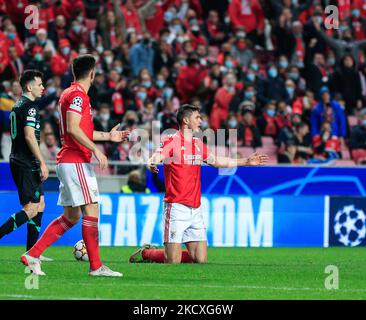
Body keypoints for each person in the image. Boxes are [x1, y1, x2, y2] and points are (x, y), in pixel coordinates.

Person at [21, 55, 130, 277]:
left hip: (68, 161)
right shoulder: (79, 96)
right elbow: (72, 128)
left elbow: (80, 130)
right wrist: (97, 150)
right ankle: (96, 267)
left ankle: (33, 254)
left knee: (70, 217)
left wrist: (108, 136)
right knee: (92, 210)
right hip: (75, 161)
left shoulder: (69, 94)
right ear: (92, 73)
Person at [129, 104, 268, 264]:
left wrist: (246, 161)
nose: (201, 121)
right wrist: (152, 163)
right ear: (186, 120)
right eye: (197, 117)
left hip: (195, 208)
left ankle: (159, 252)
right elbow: (157, 155)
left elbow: (216, 161)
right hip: (176, 207)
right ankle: (148, 253)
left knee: (200, 260)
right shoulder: (172, 141)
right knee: (172, 261)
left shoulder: (197, 143)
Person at [0, 70, 52, 261]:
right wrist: (42, 162)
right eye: (39, 84)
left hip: (22, 160)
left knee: (40, 205)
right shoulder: (30, 107)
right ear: (29, 87)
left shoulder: (18, 105)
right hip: (26, 162)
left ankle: (32, 252)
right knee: (31, 208)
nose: (43, 88)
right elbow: (30, 136)